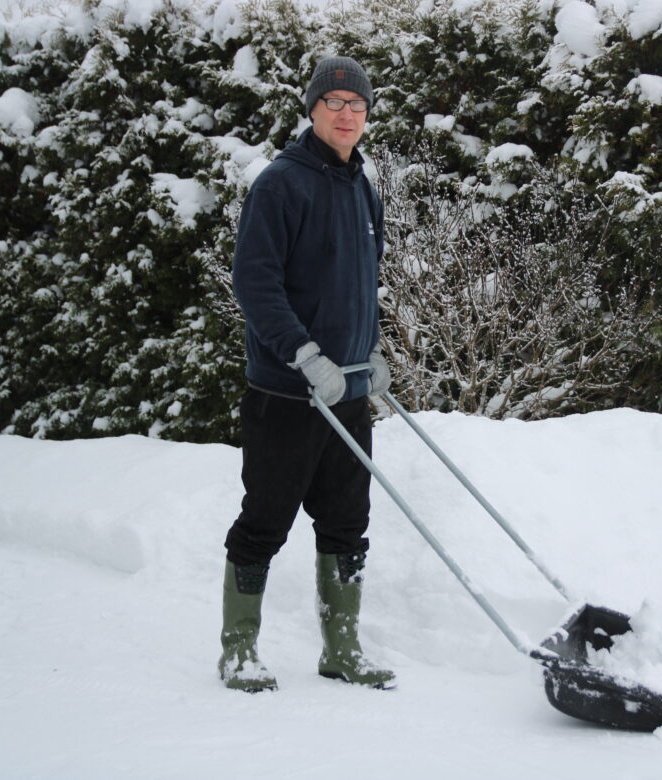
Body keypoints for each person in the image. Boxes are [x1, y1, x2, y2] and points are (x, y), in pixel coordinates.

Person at [217, 56, 395, 693]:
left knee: (347, 521)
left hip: (346, 389)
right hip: (287, 393)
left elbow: (363, 280)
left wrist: (371, 348)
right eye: (335, 102)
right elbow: (255, 283)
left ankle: (341, 648)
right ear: (313, 109)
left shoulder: (362, 186)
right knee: (265, 519)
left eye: (357, 104)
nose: (347, 114)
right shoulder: (280, 185)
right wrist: (304, 353)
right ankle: (238, 650)